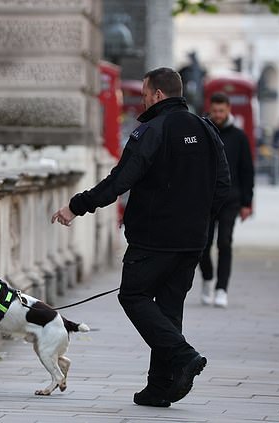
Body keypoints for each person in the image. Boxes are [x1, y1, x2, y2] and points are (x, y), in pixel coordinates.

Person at [51, 68, 231, 407]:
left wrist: (77, 206)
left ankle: (183, 355)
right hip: (192, 240)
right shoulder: (206, 129)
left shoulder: (152, 130)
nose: (142, 99)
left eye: (146, 93)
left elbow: (120, 180)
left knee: (133, 296)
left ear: (159, 95)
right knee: (168, 309)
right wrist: (198, 220)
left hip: (153, 239)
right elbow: (223, 184)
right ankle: (160, 388)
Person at [199, 93, 254, 308]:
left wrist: (247, 203)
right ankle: (208, 278)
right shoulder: (203, 132)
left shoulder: (239, 137)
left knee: (225, 242)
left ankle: (222, 289)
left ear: (229, 109)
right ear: (210, 110)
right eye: (215, 111)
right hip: (206, 199)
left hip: (231, 199)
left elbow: (246, 170)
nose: (219, 115)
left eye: (222, 111)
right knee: (203, 244)